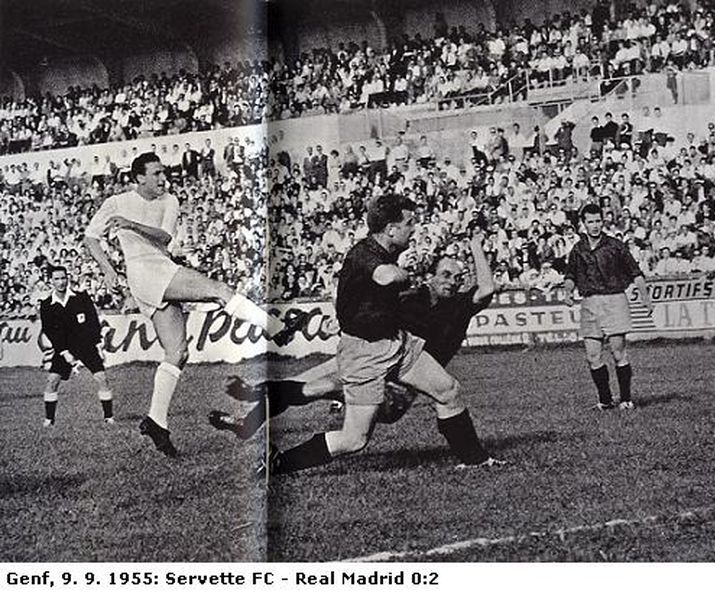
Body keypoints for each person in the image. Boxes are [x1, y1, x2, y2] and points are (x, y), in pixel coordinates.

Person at [266, 195, 500, 477]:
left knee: (448, 389)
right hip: (366, 353)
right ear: (391, 228)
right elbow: (385, 277)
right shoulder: (364, 252)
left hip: (397, 344)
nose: (413, 229)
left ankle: (474, 459)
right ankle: (278, 463)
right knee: (354, 439)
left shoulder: (386, 251)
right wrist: (407, 274)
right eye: (409, 223)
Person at [83, 152, 298, 457]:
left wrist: (130, 225)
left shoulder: (169, 200)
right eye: (156, 173)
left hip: (161, 268)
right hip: (143, 272)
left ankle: (156, 421)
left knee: (178, 352)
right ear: (139, 177)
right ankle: (277, 328)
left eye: (163, 172)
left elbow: (164, 237)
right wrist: (106, 267)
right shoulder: (116, 202)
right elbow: (91, 237)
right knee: (219, 290)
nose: (162, 178)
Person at [210, 228, 496, 445]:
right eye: (446, 275)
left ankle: (257, 392)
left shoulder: (458, 306)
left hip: (396, 392)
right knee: (307, 381)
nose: (452, 282)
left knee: (320, 386)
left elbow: (486, 288)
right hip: (374, 362)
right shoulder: (408, 298)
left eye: (458, 279)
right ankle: (247, 422)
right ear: (429, 276)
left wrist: (475, 247)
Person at [563, 203, 655, 410]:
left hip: (614, 299)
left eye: (598, 221)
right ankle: (605, 400)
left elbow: (635, 272)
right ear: (583, 224)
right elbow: (570, 275)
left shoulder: (615, 245)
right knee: (592, 356)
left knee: (617, 352)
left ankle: (625, 399)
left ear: (602, 221)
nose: (595, 226)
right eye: (590, 222)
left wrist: (645, 297)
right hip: (589, 302)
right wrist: (568, 291)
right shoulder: (578, 249)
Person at [38, 265, 114, 426]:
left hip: (86, 346)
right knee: (52, 381)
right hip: (64, 348)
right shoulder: (46, 304)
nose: (61, 282)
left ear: (68, 278)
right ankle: (49, 420)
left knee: (102, 378)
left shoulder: (81, 298)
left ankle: (109, 417)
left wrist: (97, 343)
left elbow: (93, 321)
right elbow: (50, 331)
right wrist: (64, 351)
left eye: (63, 278)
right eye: (57, 279)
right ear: (51, 281)